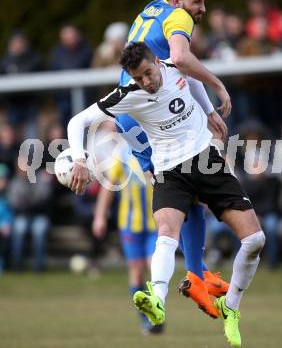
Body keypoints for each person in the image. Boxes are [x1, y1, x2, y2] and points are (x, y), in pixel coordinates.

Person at [67, 42, 265, 347]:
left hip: (206, 161)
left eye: (148, 72)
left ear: (157, 61)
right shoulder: (128, 95)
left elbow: (196, 79)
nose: (145, 81)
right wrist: (79, 159)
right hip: (170, 172)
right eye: (138, 77)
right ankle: (157, 300)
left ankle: (232, 307)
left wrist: (210, 111)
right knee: (167, 232)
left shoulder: (175, 66)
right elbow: (76, 121)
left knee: (255, 240)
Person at [119, 0, 230, 318]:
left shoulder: (154, 8)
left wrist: (207, 109)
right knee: (188, 191)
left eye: (203, 2)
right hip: (151, 116)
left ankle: (193, 274)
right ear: (179, 0)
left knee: (183, 196)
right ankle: (195, 276)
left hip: (132, 117)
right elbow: (181, 58)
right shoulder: (178, 18)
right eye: (197, 2)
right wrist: (217, 84)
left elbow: (173, 68)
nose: (201, 9)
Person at [93, 141, 163, 335]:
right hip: (130, 225)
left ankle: (158, 311)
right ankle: (147, 319)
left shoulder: (156, 148)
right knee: (137, 271)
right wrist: (100, 217)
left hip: (155, 223)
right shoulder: (121, 153)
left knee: (154, 266)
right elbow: (108, 187)